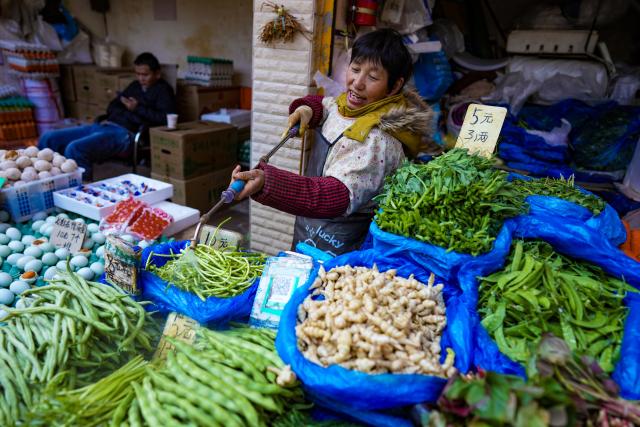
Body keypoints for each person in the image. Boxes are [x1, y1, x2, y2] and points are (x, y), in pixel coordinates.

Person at [231, 29, 433, 256]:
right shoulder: (350, 107)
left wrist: (267, 183)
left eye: (373, 77)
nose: (357, 83)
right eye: (355, 69)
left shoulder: (378, 140)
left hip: (341, 247)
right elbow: (326, 106)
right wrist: (307, 109)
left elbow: (334, 197)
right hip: (308, 229)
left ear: (395, 86)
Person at [38, 52, 175, 180]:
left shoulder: (164, 91)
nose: (141, 78)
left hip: (126, 134)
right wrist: (124, 110)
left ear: (157, 74)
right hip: (106, 125)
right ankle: (46, 182)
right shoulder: (135, 86)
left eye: (145, 75)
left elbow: (164, 118)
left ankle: (80, 193)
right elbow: (113, 106)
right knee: (49, 138)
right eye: (138, 74)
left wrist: (137, 108)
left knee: (75, 149)